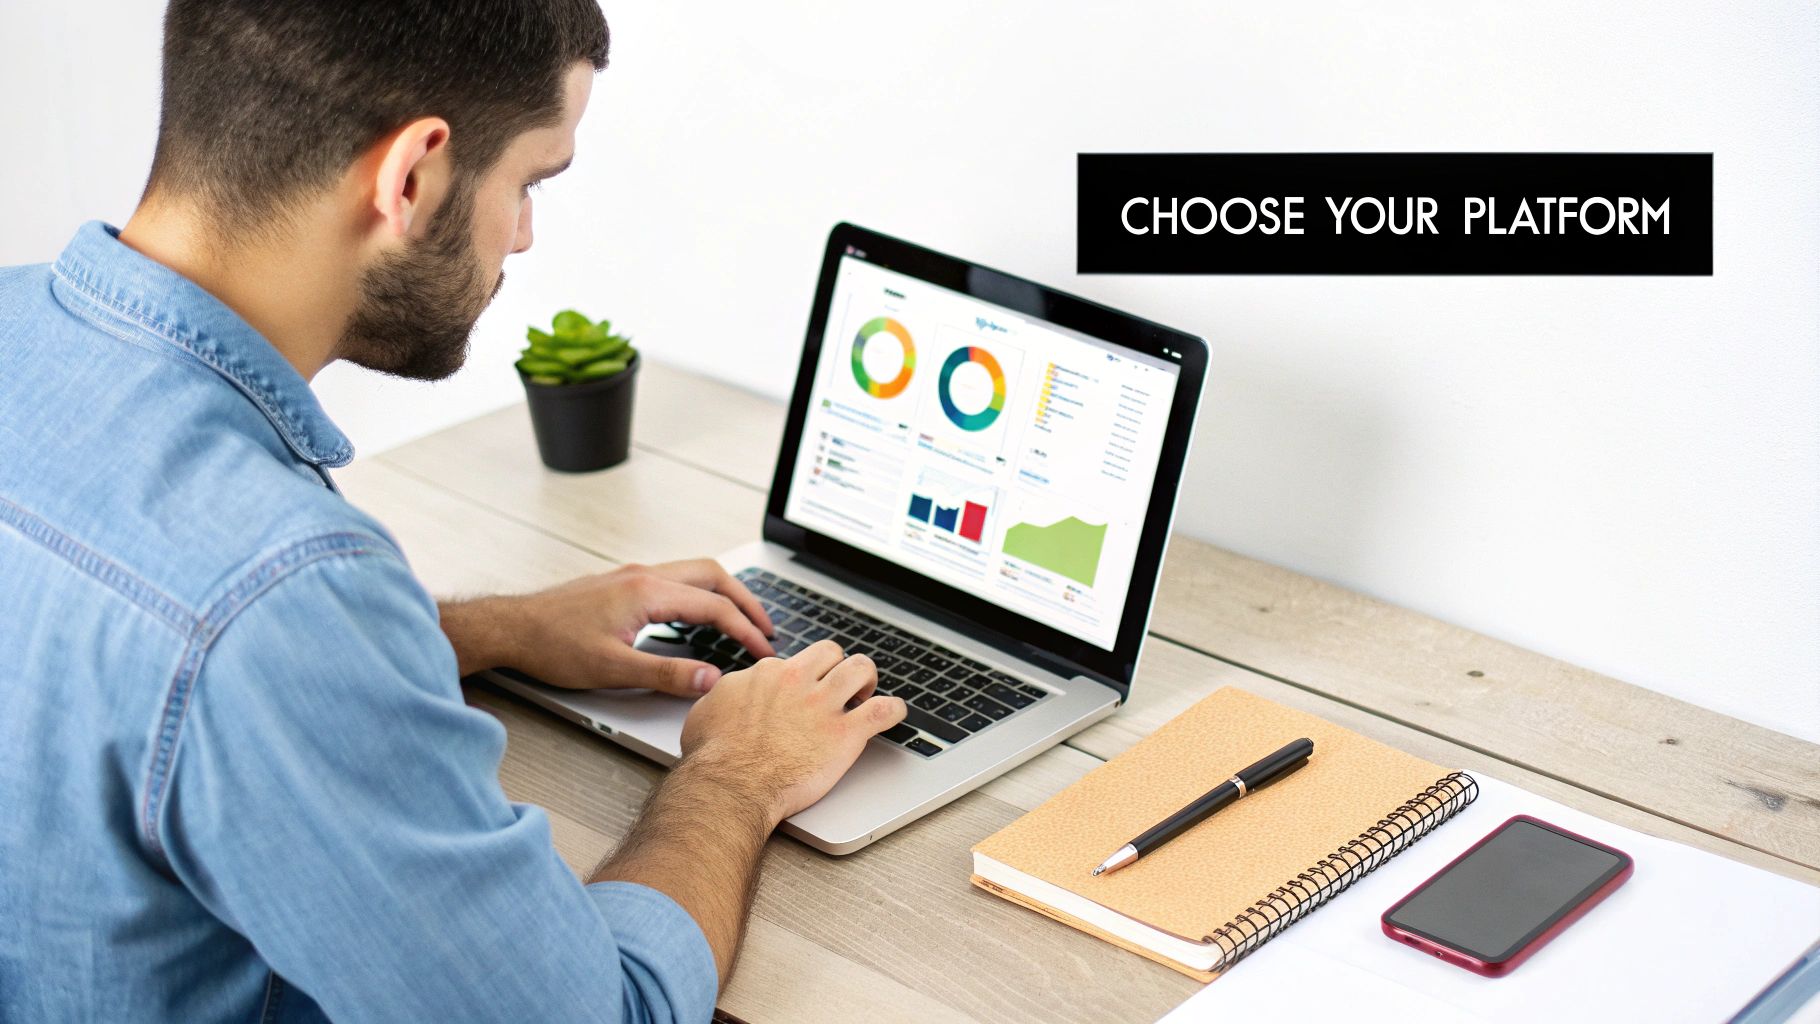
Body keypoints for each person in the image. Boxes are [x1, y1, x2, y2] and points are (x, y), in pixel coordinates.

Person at [0, 2, 906, 1021]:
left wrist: (496, 629)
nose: (523, 233)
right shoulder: (281, 594)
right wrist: (735, 776)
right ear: (413, 176)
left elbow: (145, 655)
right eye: (527, 181)